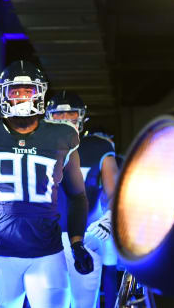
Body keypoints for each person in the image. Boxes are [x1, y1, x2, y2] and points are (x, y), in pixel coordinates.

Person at [0, 61, 93, 308]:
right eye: (16, 92)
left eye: (29, 91)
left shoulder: (62, 135)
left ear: (41, 93)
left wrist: (77, 241)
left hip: (47, 253)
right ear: (4, 95)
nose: (23, 98)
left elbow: (78, 194)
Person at [46, 91, 120, 308]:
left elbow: (114, 191)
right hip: (45, 236)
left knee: (84, 302)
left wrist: (110, 217)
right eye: (59, 116)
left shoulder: (98, 147)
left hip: (86, 234)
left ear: (82, 117)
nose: (65, 120)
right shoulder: (37, 144)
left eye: (70, 114)